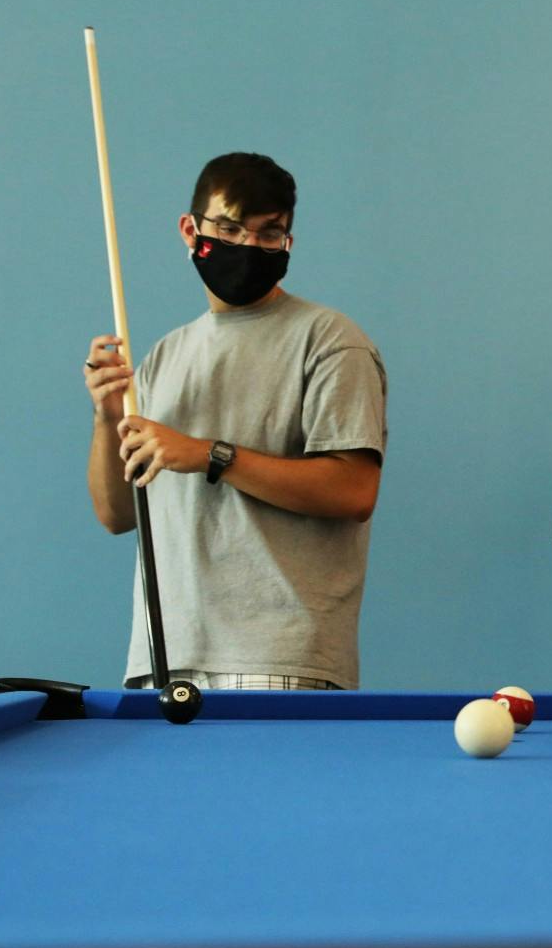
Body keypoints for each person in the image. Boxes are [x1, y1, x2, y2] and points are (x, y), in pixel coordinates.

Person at [83, 151, 387, 691]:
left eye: (269, 234)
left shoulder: (329, 341)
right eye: (228, 228)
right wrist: (108, 420)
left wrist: (207, 454)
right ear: (189, 229)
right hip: (162, 657)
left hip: (278, 656)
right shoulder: (162, 356)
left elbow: (354, 490)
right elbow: (115, 513)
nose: (248, 247)